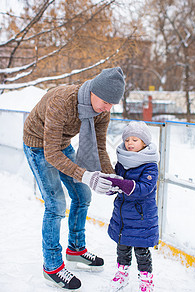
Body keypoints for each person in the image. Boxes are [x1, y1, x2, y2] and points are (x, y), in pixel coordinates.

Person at [23, 67, 125, 290]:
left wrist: (110, 176)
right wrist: (86, 175)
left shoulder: (102, 111)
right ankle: (52, 267)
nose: (107, 109)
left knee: (82, 194)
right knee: (56, 204)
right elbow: (50, 153)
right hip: (38, 146)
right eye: (106, 102)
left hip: (61, 144)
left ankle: (76, 249)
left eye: (112, 104)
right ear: (94, 91)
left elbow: (99, 147)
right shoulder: (63, 101)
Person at [107, 121, 160, 292]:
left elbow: (144, 189)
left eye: (135, 140)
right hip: (122, 215)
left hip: (141, 217)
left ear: (144, 143)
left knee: (141, 250)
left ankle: (146, 279)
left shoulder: (150, 165)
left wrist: (123, 185)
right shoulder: (122, 162)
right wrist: (111, 186)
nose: (130, 143)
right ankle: (122, 274)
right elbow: (116, 181)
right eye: (127, 139)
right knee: (122, 247)